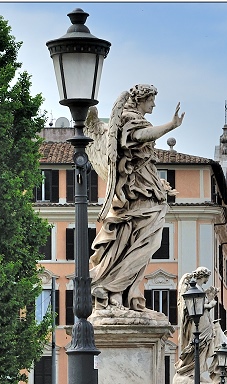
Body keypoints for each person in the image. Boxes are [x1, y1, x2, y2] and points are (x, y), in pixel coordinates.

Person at [85, 84, 182, 313]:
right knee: (141, 245)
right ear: (142, 99)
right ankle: (111, 287)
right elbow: (139, 136)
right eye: (152, 100)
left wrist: (160, 185)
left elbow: (142, 164)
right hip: (137, 198)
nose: (154, 104)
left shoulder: (129, 118)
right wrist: (171, 125)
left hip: (146, 192)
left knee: (137, 246)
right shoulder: (129, 119)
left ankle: (122, 293)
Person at [172, 267, 227, 384]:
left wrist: (209, 297)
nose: (208, 279)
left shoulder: (200, 289)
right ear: (205, 276)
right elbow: (192, 308)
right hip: (198, 323)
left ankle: (196, 373)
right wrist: (210, 304)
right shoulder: (192, 288)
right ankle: (189, 372)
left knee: (203, 347)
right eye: (207, 277)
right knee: (198, 346)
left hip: (203, 321)